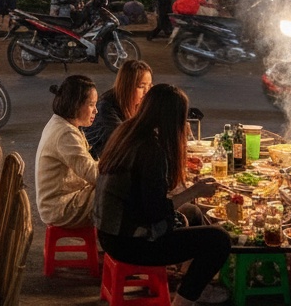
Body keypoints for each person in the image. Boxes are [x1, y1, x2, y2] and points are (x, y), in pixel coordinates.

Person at [95, 83, 232, 306]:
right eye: (181, 118)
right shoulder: (150, 150)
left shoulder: (128, 131)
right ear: (171, 118)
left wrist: (188, 196)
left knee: (194, 212)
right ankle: (183, 301)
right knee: (219, 240)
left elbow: (147, 199)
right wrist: (194, 191)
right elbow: (156, 211)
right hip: (130, 243)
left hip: (109, 233)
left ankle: (194, 286)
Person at [36, 74, 99, 228]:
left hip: (63, 199)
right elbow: (93, 174)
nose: (96, 111)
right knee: (114, 191)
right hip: (58, 207)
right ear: (76, 105)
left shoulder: (61, 123)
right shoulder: (66, 134)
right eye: (91, 104)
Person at [85, 59, 153, 158]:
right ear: (127, 86)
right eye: (141, 86)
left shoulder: (141, 103)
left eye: (150, 86)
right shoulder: (106, 108)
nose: (147, 91)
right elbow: (124, 142)